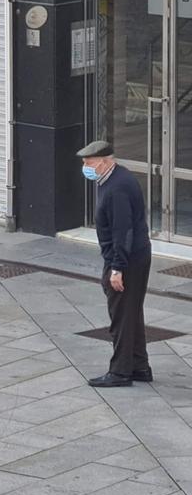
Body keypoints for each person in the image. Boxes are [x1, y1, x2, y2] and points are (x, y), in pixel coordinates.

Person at [79, 140, 153, 388]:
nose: (85, 167)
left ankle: (121, 372)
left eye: (89, 163)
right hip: (132, 256)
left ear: (104, 161)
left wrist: (117, 268)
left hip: (127, 259)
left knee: (120, 315)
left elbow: (123, 231)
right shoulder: (112, 179)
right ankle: (139, 366)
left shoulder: (117, 187)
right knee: (131, 312)